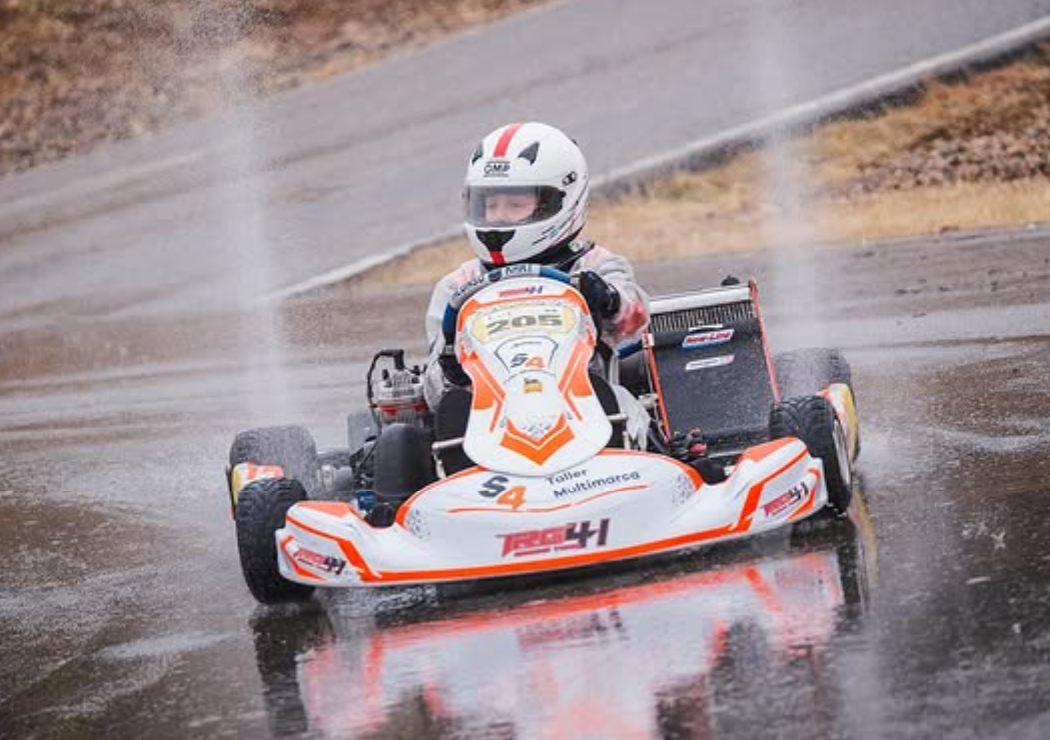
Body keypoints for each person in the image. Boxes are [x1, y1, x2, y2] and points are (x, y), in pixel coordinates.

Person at [422, 121, 651, 449]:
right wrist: (451, 369)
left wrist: (608, 300)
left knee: (621, 400)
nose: (498, 217)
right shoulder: (457, 287)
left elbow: (636, 319)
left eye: (515, 206)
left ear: (561, 201)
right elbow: (433, 393)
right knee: (436, 426)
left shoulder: (595, 267)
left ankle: (628, 455)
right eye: (490, 205)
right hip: (492, 423)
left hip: (587, 406)